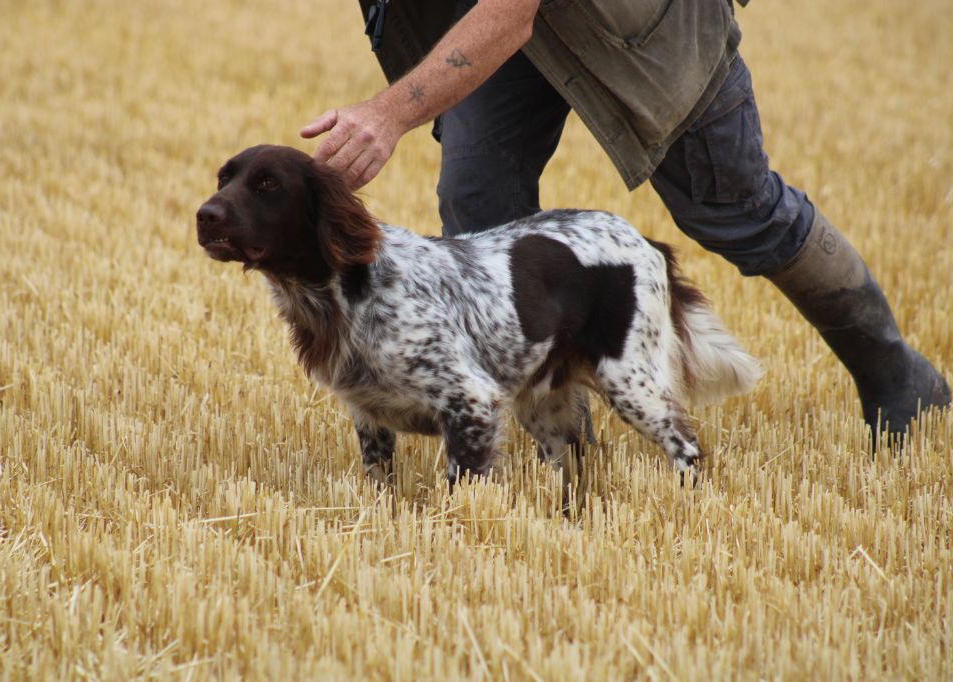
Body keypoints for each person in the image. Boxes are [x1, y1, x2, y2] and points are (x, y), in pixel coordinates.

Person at [299, 0, 949, 445]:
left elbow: (510, 12)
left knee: (736, 207)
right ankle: (566, 441)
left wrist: (389, 113)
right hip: (485, 18)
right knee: (478, 201)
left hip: (635, 20)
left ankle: (895, 375)